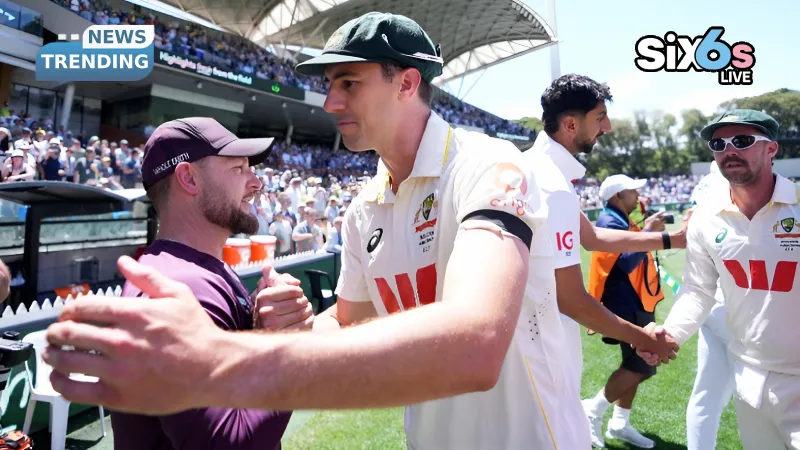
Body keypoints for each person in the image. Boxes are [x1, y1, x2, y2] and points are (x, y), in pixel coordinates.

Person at [47, 12, 584, 449]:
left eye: (348, 82)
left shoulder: (489, 166)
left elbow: (475, 346)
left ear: (407, 83)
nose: (330, 102)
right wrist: (287, 327)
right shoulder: (363, 208)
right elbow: (347, 319)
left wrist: (225, 363)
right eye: (329, 85)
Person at [108, 117, 313, 450]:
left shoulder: (195, 271)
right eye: (238, 169)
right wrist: (284, 346)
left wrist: (260, 326)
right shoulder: (175, 287)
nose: (256, 182)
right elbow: (229, 443)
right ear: (189, 178)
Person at [521, 74, 685, 448]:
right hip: (543, 342)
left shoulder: (534, 167)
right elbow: (571, 299)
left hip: (528, 338)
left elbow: (592, 238)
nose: (607, 127)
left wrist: (670, 238)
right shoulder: (552, 184)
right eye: (600, 117)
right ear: (571, 124)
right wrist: (644, 338)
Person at [642, 109, 800, 449]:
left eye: (742, 141)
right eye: (719, 143)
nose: (729, 150)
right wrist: (669, 334)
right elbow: (698, 290)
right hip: (749, 376)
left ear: (771, 149)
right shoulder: (705, 217)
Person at [583, 174, 668, 449]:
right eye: (633, 191)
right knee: (640, 364)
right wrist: (649, 232)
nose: (638, 196)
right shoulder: (609, 221)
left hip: (635, 303)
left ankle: (619, 422)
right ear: (618, 196)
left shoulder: (618, 219)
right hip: (626, 305)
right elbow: (627, 264)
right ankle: (592, 412)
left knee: (641, 364)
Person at [685, 160, 734, 450]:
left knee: (707, 394)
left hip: (708, 299)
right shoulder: (729, 184)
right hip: (734, 300)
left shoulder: (704, 184)